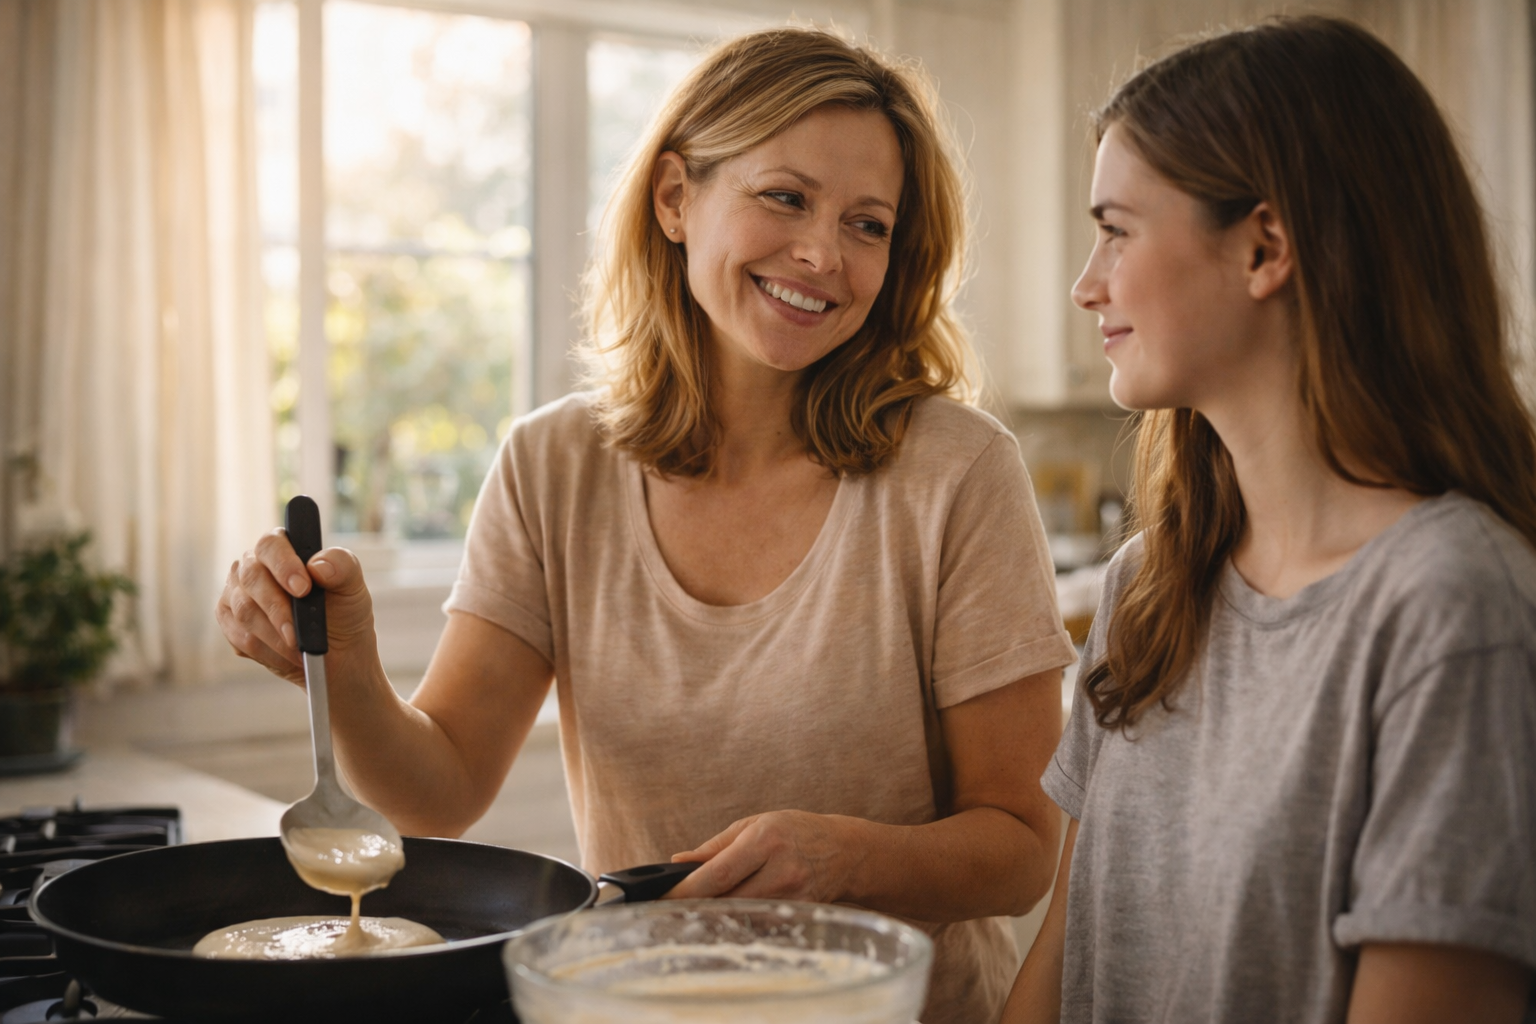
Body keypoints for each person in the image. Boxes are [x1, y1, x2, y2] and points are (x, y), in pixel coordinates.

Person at [217, 27, 1076, 1023]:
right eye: (786, 197)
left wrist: (842, 856)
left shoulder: (956, 470)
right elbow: (437, 790)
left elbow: (1021, 849)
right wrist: (347, 666)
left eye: (869, 224)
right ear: (676, 198)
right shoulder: (553, 466)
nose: (822, 254)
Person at [1003, 15, 1536, 1024]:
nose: (1087, 283)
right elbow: (1067, 956)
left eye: (1116, 229)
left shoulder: (1452, 611)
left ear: (1263, 247)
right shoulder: (1146, 586)